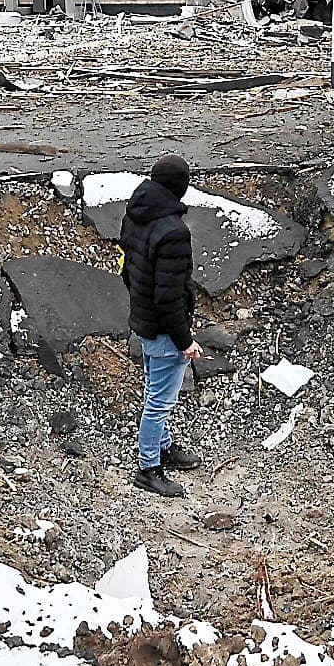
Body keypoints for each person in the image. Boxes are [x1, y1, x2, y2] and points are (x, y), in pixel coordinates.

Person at [120, 154, 204, 497]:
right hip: (164, 328)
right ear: (179, 189)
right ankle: (148, 467)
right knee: (159, 401)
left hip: (143, 320)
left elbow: (129, 270)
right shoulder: (174, 233)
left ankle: (163, 447)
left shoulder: (135, 214)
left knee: (154, 389)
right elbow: (169, 298)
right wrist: (185, 340)